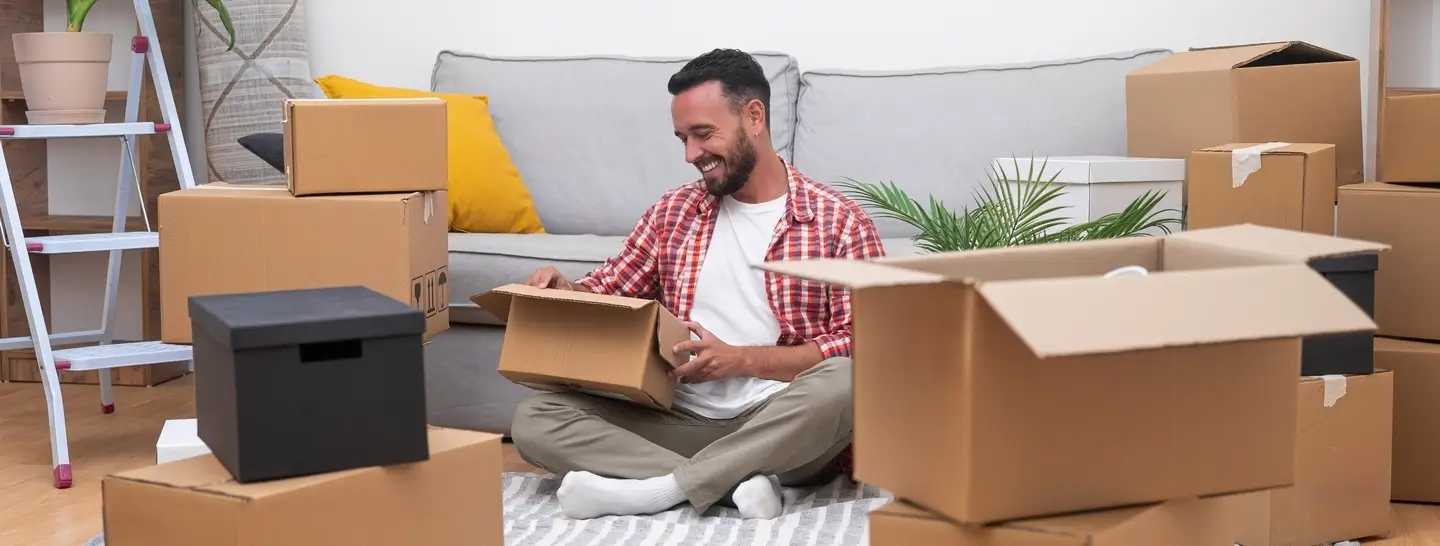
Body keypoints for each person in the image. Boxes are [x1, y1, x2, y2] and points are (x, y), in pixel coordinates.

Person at [513, 48, 887, 521]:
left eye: (704, 134)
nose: (691, 155)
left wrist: (742, 359)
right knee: (535, 418)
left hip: (780, 424)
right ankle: (733, 486)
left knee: (847, 381)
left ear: (754, 117)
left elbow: (866, 347)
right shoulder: (673, 212)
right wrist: (565, 293)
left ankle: (657, 490)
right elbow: (610, 288)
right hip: (679, 418)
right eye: (683, 138)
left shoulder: (840, 223)